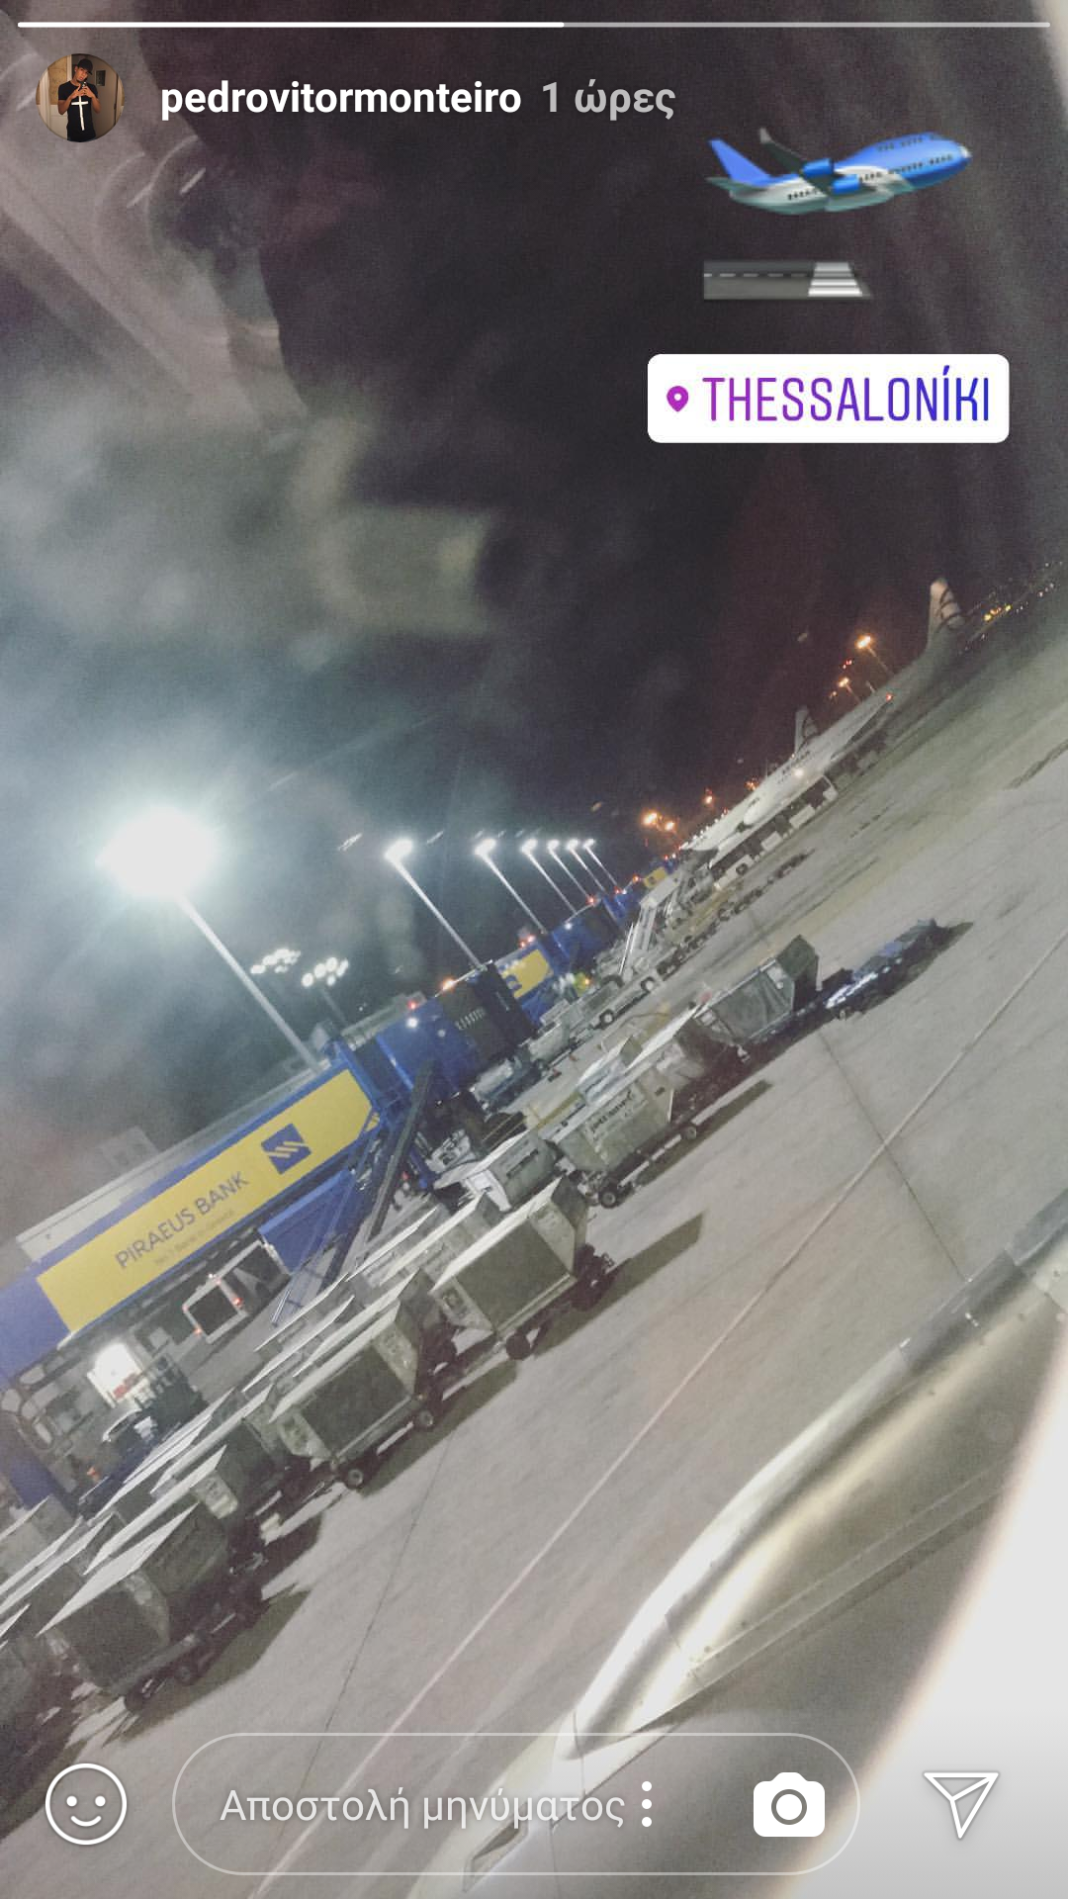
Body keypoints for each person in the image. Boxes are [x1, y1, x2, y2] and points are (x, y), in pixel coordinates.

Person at [57, 60, 100, 142]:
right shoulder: (63, 88)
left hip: (90, 134)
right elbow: (61, 111)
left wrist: (93, 96)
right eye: (82, 70)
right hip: (73, 135)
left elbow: (98, 110)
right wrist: (70, 97)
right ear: (76, 69)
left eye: (86, 72)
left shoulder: (91, 88)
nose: (83, 74)